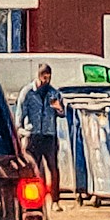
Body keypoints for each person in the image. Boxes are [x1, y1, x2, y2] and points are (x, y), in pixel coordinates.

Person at [16, 62, 66, 201]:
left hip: (49, 135)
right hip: (33, 134)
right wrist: (20, 132)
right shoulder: (28, 92)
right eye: (44, 77)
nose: (47, 81)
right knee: (33, 169)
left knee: (53, 168)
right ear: (39, 76)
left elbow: (62, 114)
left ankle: (55, 200)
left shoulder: (53, 93)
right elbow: (20, 113)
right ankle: (35, 199)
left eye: (49, 77)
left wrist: (59, 108)